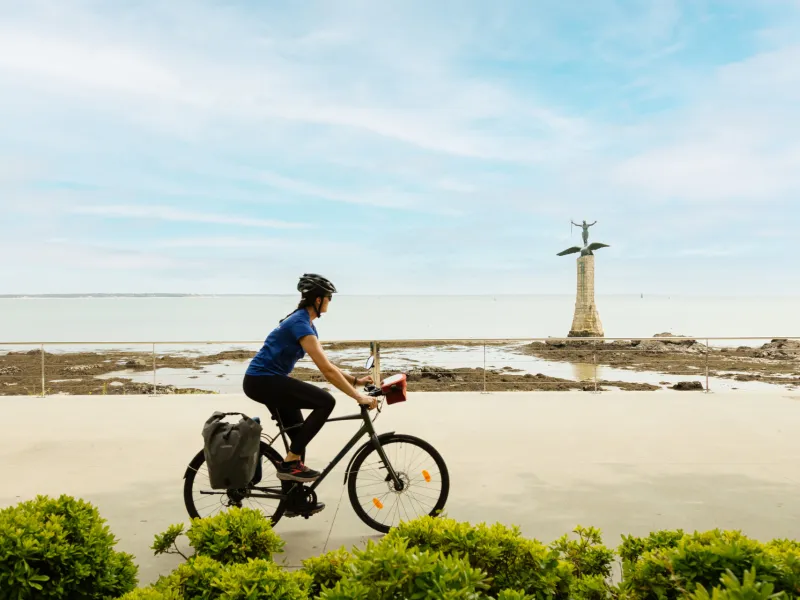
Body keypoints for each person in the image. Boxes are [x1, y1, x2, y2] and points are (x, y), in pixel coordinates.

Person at [243, 274, 377, 494]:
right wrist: (358, 396)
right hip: (263, 381)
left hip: (267, 380)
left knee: (299, 436)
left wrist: (356, 381)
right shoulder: (299, 323)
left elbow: (326, 364)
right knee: (325, 401)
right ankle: (290, 463)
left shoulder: (305, 323)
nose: (329, 302)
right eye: (328, 298)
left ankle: (293, 498)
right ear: (318, 300)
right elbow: (326, 371)